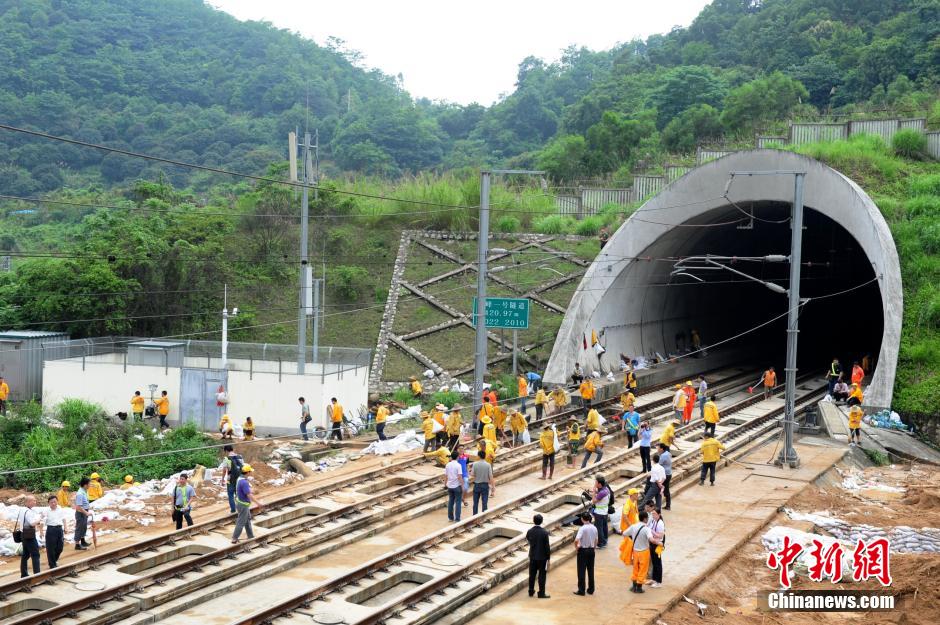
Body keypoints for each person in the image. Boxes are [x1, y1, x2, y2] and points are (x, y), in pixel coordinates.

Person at [625, 510, 659, 593]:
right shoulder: (646, 529)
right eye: (647, 518)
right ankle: (639, 587)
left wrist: (633, 538)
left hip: (635, 551)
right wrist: (658, 542)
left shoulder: (633, 526)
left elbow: (624, 533)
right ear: (644, 519)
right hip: (644, 552)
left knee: (635, 568)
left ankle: (633, 587)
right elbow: (651, 539)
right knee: (643, 570)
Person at [232, 464, 261, 543]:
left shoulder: (240, 479)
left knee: (247, 520)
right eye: (250, 472)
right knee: (241, 522)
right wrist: (258, 503)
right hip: (243, 505)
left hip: (241, 503)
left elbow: (244, 490)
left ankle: (250, 535)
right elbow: (248, 494)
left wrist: (251, 489)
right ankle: (234, 538)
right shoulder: (244, 482)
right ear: (247, 472)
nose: (251, 473)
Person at [526, 514, 551, 598]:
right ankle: (541, 593)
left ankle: (530, 591)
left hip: (533, 556)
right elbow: (547, 547)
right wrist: (548, 558)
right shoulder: (544, 533)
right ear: (542, 521)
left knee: (532, 575)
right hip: (542, 557)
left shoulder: (530, 531)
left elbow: (528, 540)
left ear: (533, 521)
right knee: (542, 575)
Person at [573, 512, 598, 595]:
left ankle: (581, 590)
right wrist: (593, 548)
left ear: (582, 519)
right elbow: (596, 540)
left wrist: (576, 548)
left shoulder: (582, 528)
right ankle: (591, 589)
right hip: (591, 550)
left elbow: (576, 540)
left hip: (583, 551)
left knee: (581, 571)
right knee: (591, 570)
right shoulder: (594, 528)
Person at [17, 495, 41, 577]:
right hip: (29, 535)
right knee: (35, 554)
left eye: (35, 500)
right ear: (27, 502)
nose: (35, 502)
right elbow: (31, 523)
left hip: (23, 534)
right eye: (33, 500)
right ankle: (37, 574)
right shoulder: (28, 511)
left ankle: (24, 574)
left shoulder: (22, 510)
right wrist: (39, 519)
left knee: (26, 554)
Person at [43, 495, 66, 568]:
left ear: (57, 502)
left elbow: (63, 518)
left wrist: (66, 527)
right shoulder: (46, 511)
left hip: (59, 529)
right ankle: (52, 565)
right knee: (51, 548)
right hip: (51, 529)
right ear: (48, 503)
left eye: (55, 502)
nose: (53, 504)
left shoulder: (60, 508)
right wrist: (40, 531)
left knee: (60, 547)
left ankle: (54, 560)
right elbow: (42, 521)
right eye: (51, 502)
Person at [220, 444, 243, 514]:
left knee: (230, 494)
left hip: (230, 479)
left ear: (226, 451)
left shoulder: (226, 459)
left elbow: (224, 470)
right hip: (240, 478)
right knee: (239, 494)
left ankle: (233, 510)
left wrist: (223, 478)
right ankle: (241, 509)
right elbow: (243, 468)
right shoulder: (240, 457)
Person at [470, 450, 494, 514]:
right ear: (484, 456)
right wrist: (493, 487)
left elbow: (472, 474)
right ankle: (484, 516)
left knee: (475, 503)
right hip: (485, 485)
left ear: (478, 456)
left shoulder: (475, 464)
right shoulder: (488, 465)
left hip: (477, 485)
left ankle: (475, 517)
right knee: (484, 502)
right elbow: (491, 477)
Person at [591, 476, 611, 548]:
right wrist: (596, 491)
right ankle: (605, 540)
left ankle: (600, 543)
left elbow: (594, 501)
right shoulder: (606, 489)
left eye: (596, 482)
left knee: (599, 528)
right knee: (604, 527)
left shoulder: (602, 493)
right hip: (605, 511)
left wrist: (593, 492)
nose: (595, 483)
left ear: (599, 484)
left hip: (599, 512)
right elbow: (600, 494)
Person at [444, 451, 463, 522]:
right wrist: (462, 485)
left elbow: (446, 476)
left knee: (451, 501)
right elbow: (459, 476)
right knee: (458, 502)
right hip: (457, 486)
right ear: (457, 457)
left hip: (450, 486)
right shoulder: (458, 465)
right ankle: (457, 518)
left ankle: (450, 518)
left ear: (451, 457)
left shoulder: (448, 465)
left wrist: (445, 484)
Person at [73, 477, 91, 550]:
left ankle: (83, 541)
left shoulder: (84, 491)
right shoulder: (80, 493)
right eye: (89, 484)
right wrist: (86, 512)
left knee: (84, 527)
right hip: (81, 513)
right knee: (79, 528)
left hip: (84, 512)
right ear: (85, 485)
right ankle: (77, 544)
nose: (90, 485)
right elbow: (78, 506)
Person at [657, 443, 673, 510]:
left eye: (658, 448)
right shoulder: (668, 453)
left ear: (661, 449)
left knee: (659, 489)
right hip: (669, 473)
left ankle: (658, 505)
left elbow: (659, 464)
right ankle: (668, 505)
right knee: (666, 490)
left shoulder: (663, 456)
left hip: (664, 475)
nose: (657, 449)